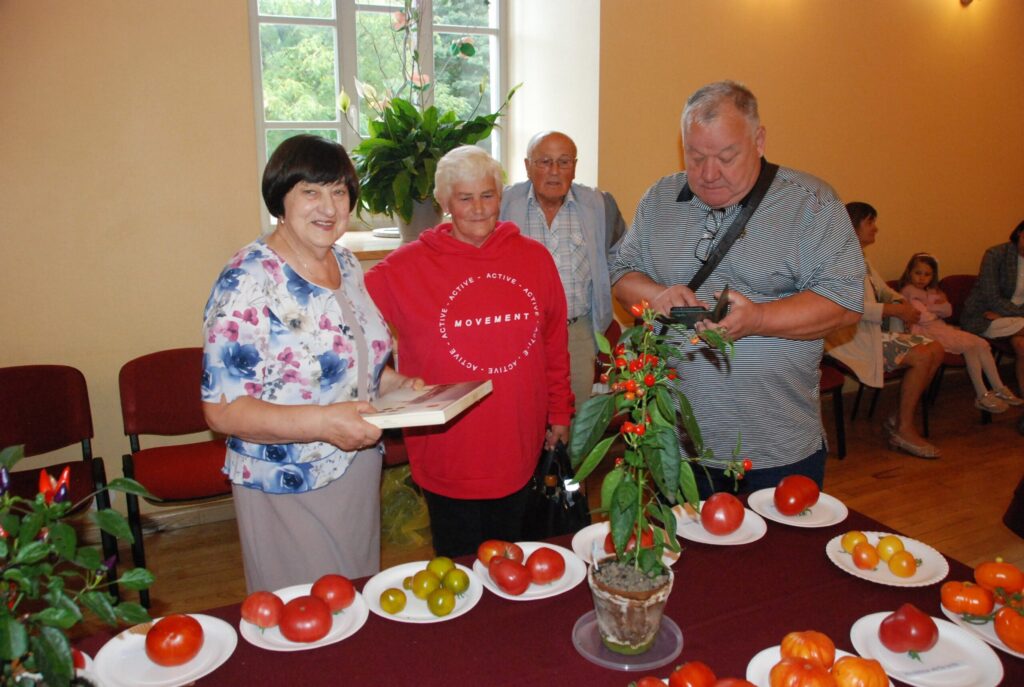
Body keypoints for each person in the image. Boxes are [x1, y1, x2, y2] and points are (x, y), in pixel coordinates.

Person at [611, 80, 864, 497]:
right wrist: (655, 296)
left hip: (774, 449)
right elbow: (623, 273)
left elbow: (844, 304)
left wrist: (760, 318)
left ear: (759, 140)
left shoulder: (811, 204)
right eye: (695, 156)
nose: (709, 174)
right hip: (675, 446)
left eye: (727, 157)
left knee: (776, 562)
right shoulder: (658, 198)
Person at [201, 134, 421, 592]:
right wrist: (323, 423)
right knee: (303, 611)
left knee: (354, 594)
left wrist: (400, 385)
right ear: (280, 198)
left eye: (339, 192)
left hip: (355, 465)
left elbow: (357, 354)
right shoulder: (248, 279)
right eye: (311, 191)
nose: (328, 206)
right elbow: (222, 410)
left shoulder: (346, 261)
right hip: (287, 478)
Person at [365, 145, 574, 557]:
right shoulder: (403, 268)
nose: (478, 209)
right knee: (458, 565)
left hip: (518, 441)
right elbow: (344, 324)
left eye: (487, 195)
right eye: (464, 198)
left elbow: (554, 345)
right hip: (448, 447)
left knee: (514, 558)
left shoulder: (535, 259)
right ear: (444, 202)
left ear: (502, 196)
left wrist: (560, 412)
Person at [500, 131, 627, 404]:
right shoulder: (502, 205)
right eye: (544, 161)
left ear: (575, 166)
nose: (554, 171)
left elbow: (622, 256)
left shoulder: (599, 206)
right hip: (517, 335)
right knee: (521, 412)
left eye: (564, 162)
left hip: (576, 333)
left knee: (574, 418)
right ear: (527, 166)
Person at [826, 203, 945, 458]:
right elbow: (847, 308)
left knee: (936, 348)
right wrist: (895, 311)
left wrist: (900, 301)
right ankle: (904, 428)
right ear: (853, 226)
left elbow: (882, 290)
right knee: (923, 355)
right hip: (848, 338)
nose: (875, 228)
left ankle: (898, 419)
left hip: (870, 332)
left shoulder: (860, 258)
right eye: (870, 223)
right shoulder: (835, 260)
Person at [897, 252, 1021, 412]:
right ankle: (982, 394)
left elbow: (948, 311)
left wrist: (934, 305)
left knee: (981, 344)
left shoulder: (931, 291)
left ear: (932, 276)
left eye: (927, 274)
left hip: (940, 327)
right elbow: (923, 317)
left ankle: (998, 387)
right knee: (970, 346)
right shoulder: (908, 291)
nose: (921, 278)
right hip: (926, 333)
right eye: (918, 273)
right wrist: (936, 306)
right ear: (909, 272)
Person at [961, 220, 1024, 399]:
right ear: (1020, 232)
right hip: (984, 317)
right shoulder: (996, 254)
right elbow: (991, 297)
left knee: (1022, 345)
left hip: (1010, 318)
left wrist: (1007, 313)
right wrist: (1009, 313)